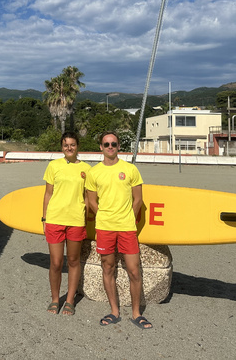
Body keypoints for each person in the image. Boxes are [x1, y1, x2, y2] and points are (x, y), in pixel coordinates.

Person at [85, 131, 152, 330]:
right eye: (106, 144)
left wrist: (127, 216)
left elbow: (138, 199)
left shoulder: (130, 169)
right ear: (101, 147)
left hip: (127, 228)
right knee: (108, 268)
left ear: (119, 146)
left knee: (134, 270)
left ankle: (136, 313)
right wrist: (104, 215)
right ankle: (114, 311)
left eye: (113, 143)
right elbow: (91, 200)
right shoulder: (94, 172)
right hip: (105, 228)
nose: (110, 147)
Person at [42, 131, 91, 315]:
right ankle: (55, 299)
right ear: (62, 147)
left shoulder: (87, 168)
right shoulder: (53, 166)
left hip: (76, 220)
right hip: (55, 219)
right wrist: (44, 218)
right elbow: (48, 194)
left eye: (72, 144)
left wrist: (85, 219)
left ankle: (70, 300)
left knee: (73, 260)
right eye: (65, 145)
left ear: (78, 146)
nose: (69, 148)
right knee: (55, 262)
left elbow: (88, 197)